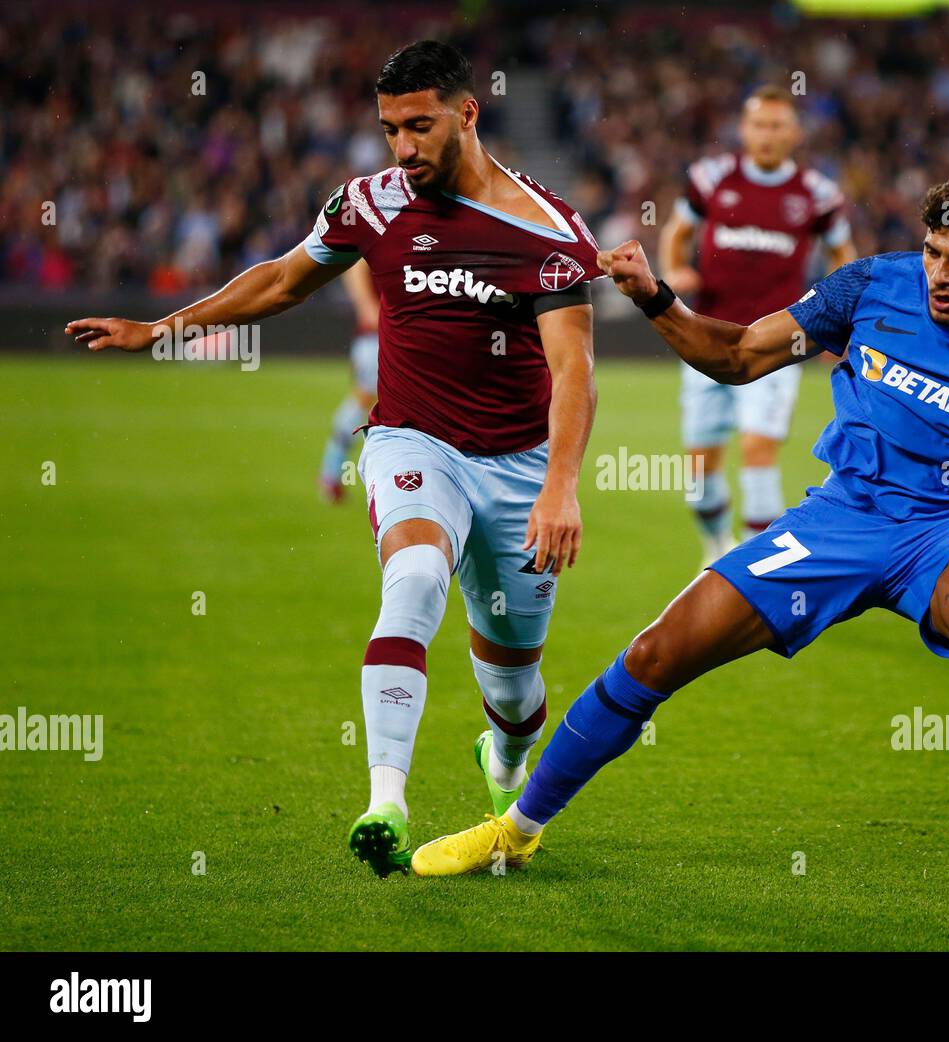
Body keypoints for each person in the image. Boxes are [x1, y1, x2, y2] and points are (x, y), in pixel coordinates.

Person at [413, 166, 949, 916]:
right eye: (933, 251)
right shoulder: (867, 287)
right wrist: (656, 299)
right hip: (837, 521)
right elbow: (737, 356)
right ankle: (517, 827)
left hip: (944, 530)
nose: (940, 273)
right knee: (655, 653)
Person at [66, 40, 603, 877]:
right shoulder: (370, 205)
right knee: (415, 577)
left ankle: (502, 762)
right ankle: (385, 801)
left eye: (419, 127)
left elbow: (574, 369)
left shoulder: (546, 229)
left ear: (467, 112)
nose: (402, 148)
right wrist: (163, 329)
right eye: (389, 129)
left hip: (520, 467)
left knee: (514, 689)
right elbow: (282, 280)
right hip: (412, 441)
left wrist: (561, 488)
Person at [659, 86, 855, 567]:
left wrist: (842, 319)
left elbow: (844, 256)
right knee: (700, 468)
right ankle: (716, 542)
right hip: (707, 334)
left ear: (795, 133)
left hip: (777, 339)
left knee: (758, 448)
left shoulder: (818, 194)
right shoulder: (709, 179)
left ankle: (753, 566)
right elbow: (676, 231)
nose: (767, 135)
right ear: (744, 130)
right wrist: (675, 270)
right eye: (759, 125)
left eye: (777, 125)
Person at [318, 258, 380, 503]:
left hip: (385, 338)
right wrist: (367, 307)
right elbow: (355, 269)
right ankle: (331, 473)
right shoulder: (379, 234)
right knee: (363, 400)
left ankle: (331, 474)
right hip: (376, 340)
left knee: (365, 401)